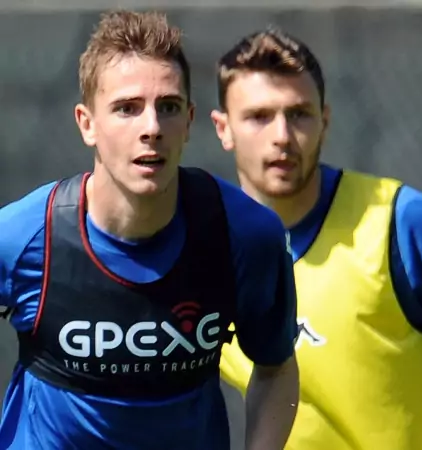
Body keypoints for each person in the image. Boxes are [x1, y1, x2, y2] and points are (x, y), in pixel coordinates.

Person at [0, 11, 299, 450]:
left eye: (169, 107)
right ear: (87, 123)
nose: (152, 128)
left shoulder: (245, 236)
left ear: (189, 121)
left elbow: (276, 368)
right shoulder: (24, 237)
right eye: (127, 108)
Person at [212, 26, 422, 450]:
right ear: (223, 129)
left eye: (299, 114)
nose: (282, 136)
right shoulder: (204, 254)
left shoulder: (399, 223)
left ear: (325, 121)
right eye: (259, 117)